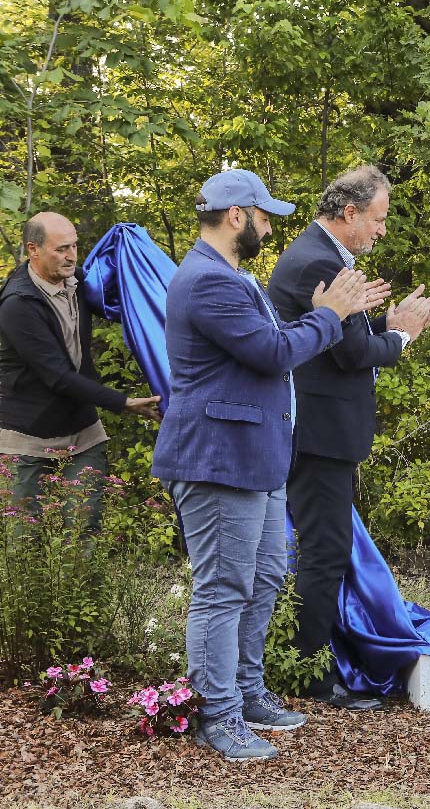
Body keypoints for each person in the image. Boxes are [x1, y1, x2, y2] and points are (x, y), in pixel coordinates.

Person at [152, 169, 384, 760]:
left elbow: (281, 342)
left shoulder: (234, 276)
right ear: (236, 216)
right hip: (217, 459)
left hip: (256, 455)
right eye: (263, 217)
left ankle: (249, 692)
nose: (270, 227)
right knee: (223, 590)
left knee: (262, 579)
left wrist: (334, 316)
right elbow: (274, 352)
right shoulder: (208, 281)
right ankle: (218, 714)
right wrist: (330, 314)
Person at [267, 165, 430, 710]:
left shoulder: (321, 256)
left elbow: (345, 340)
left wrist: (383, 324)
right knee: (324, 552)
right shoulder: (319, 262)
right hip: (318, 433)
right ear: (349, 213)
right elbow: (351, 355)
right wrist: (403, 335)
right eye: (378, 219)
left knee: (326, 549)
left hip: (319, 430)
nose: (382, 230)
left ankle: (307, 666)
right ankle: (309, 679)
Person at [0, 212, 162, 531]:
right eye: (61, 249)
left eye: (74, 246)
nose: (71, 255)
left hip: (82, 431)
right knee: (24, 541)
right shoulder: (18, 304)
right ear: (33, 250)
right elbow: (58, 377)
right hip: (27, 437)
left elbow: (129, 303)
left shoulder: (79, 282)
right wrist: (124, 402)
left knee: (84, 532)